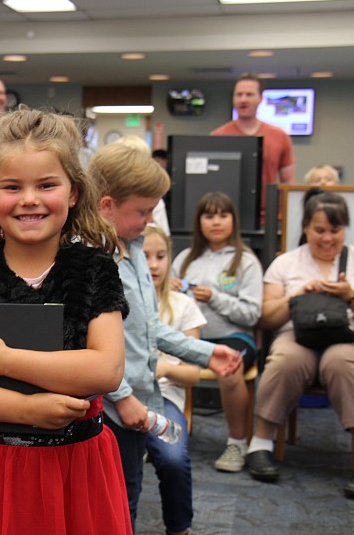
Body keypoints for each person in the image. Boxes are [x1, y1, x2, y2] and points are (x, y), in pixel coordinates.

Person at [0, 107, 132, 534]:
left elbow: (106, 369)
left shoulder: (93, 270)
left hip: (74, 467)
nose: (29, 199)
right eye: (12, 187)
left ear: (73, 192)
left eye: (47, 185)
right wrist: (27, 409)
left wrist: (5, 360)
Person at [89, 142, 242, 532]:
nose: (151, 218)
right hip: (109, 407)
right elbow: (86, 344)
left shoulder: (136, 250)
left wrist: (206, 353)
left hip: (140, 398)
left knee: (130, 496)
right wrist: (121, 398)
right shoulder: (91, 260)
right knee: (114, 502)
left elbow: (149, 328)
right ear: (107, 206)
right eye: (143, 211)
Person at [246, 191, 354, 501]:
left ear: (345, 229)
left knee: (340, 360)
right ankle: (260, 443)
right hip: (297, 337)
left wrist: (351, 296)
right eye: (319, 230)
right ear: (305, 228)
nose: (328, 238)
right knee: (286, 358)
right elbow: (266, 318)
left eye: (335, 230)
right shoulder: (285, 264)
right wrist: (296, 296)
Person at [172, 191, 263, 474]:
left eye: (223, 215)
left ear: (233, 221)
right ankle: (162, 435)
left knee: (230, 367)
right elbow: (163, 304)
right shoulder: (185, 259)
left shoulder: (246, 261)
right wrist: (169, 291)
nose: (216, 222)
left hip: (234, 336)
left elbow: (252, 313)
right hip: (191, 335)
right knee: (158, 361)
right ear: (198, 222)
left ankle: (237, 442)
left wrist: (215, 298)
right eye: (209, 216)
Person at [142, 225, 205, 535]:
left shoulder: (184, 306)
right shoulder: (114, 301)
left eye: (161, 256)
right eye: (145, 256)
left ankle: (178, 528)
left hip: (164, 398)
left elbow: (193, 373)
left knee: (172, 458)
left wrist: (165, 369)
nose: (153, 265)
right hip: (117, 396)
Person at [211, 73, 294, 221]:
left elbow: (287, 182)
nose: (243, 100)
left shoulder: (279, 136)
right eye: (239, 95)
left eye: (249, 95)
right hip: (227, 217)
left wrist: (283, 214)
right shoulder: (218, 136)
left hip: (269, 219)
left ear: (260, 98)